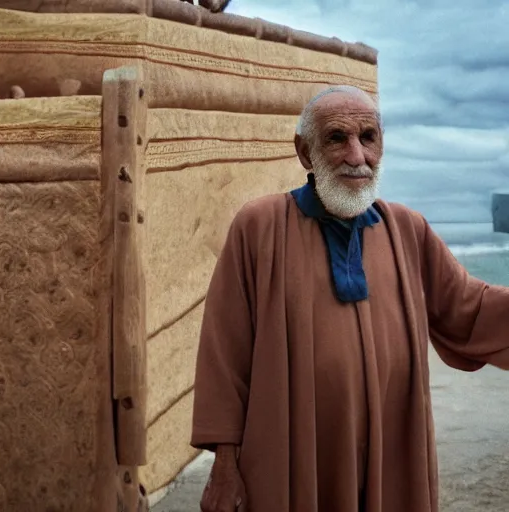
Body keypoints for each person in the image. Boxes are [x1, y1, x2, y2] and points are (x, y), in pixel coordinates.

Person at [190, 85, 509, 512]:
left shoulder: (407, 230)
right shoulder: (260, 227)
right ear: (306, 152)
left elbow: (471, 310)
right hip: (293, 454)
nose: (357, 156)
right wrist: (225, 466)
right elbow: (224, 353)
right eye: (337, 138)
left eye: (368, 138)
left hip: (393, 449)